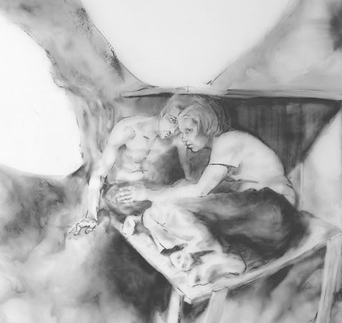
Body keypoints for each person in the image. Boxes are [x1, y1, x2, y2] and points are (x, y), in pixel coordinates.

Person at [120, 98, 301, 286]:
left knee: (178, 206)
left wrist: (149, 195)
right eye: (182, 132)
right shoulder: (222, 151)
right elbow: (196, 190)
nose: (184, 138)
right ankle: (219, 258)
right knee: (182, 205)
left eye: (188, 130)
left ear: (206, 125)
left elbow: (199, 191)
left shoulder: (229, 141)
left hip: (275, 208)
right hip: (270, 230)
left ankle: (208, 250)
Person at [71, 96, 194, 235]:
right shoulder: (129, 129)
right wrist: (91, 214)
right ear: (164, 112)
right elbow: (99, 172)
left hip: (152, 196)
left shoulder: (178, 137)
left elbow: (189, 178)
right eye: (172, 120)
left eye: (180, 125)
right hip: (125, 196)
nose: (173, 129)